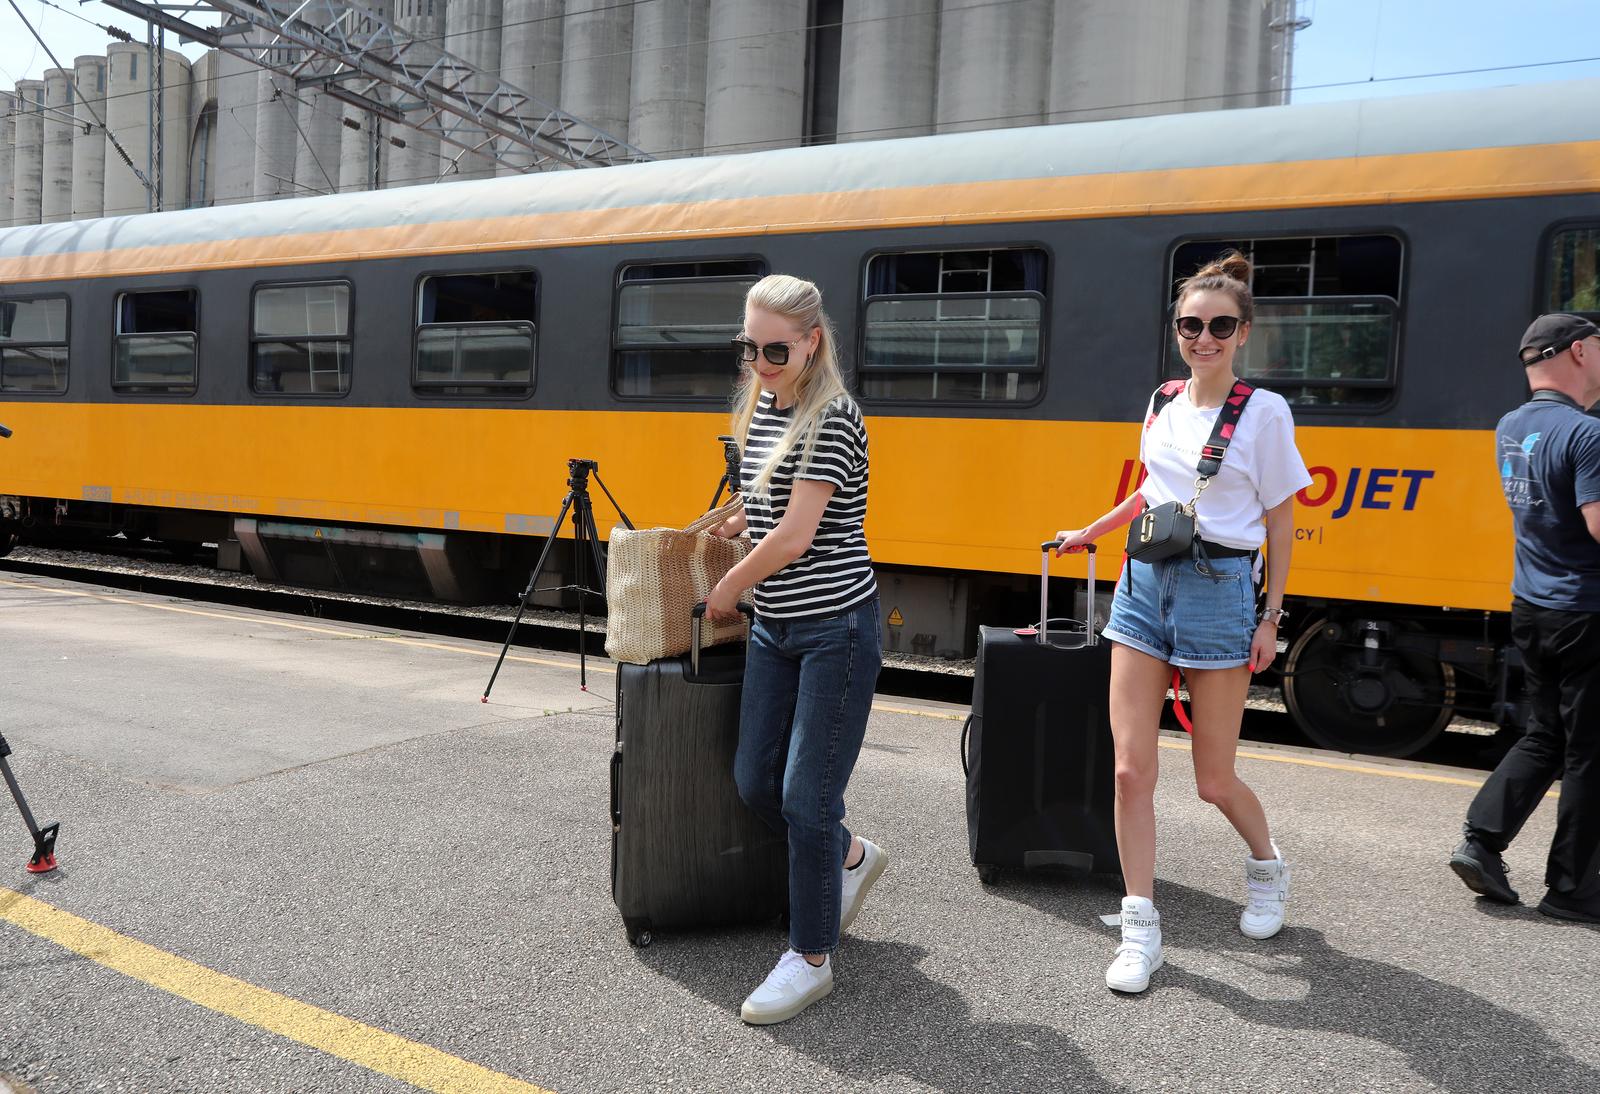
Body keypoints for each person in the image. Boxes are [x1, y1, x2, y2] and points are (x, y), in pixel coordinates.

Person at [1053, 252, 1312, 993]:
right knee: (1131, 769)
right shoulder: (1163, 398)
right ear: (1176, 331)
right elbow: (1151, 495)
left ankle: (1266, 867)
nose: (1204, 337)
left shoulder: (1264, 413)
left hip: (1219, 590)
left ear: (1243, 333)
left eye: (1219, 326)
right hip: (1141, 587)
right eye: (1191, 325)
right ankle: (1142, 927)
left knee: (1212, 778)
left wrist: (1271, 617)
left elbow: (1281, 521)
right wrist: (1089, 533)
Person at [704, 273, 888, 1024]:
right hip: (777, 628)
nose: (760, 361)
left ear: (813, 341)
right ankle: (849, 858)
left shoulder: (833, 416)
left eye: (775, 348)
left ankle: (810, 959)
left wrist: (725, 589)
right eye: (749, 347)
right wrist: (733, 518)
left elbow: (797, 536)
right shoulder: (765, 410)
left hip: (836, 630)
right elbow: (773, 503)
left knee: (804, 798)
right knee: (756, 783)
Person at [1449, 313, 1600, 924]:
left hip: (1532, 606)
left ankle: (1481, 841)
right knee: (1589, 752)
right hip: (1586, 611)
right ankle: (1572, 890)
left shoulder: (1511, 426)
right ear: (1581, 352)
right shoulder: (1588, 435)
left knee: (1545, 734)